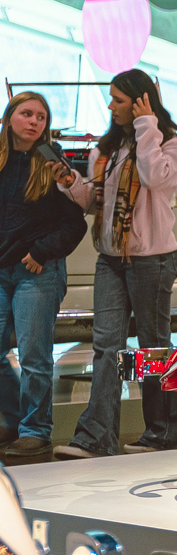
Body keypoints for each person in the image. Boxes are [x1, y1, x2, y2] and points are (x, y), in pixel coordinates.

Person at [54, 70, 177, 458]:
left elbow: (153, 177)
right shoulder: (108, 150)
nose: (110, 106)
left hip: (153, 260)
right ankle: (96, 436)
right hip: (111, 260)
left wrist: (147, 125)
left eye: (118, 99)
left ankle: (166, 431)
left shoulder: (169, 144)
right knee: (105, 347)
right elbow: (95, 203)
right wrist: (70, 182)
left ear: (140, 101)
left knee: (153, 346)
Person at [0, 91, 86, 457]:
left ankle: (35, 431)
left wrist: (42, 251)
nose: (34, 122)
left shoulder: (53, 165)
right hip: (2, 270)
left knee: (34, 357)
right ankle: (13, 420)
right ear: (9, 117)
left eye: (41, 117)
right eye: (27, 114)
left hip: (37, 271)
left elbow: (76, 224)